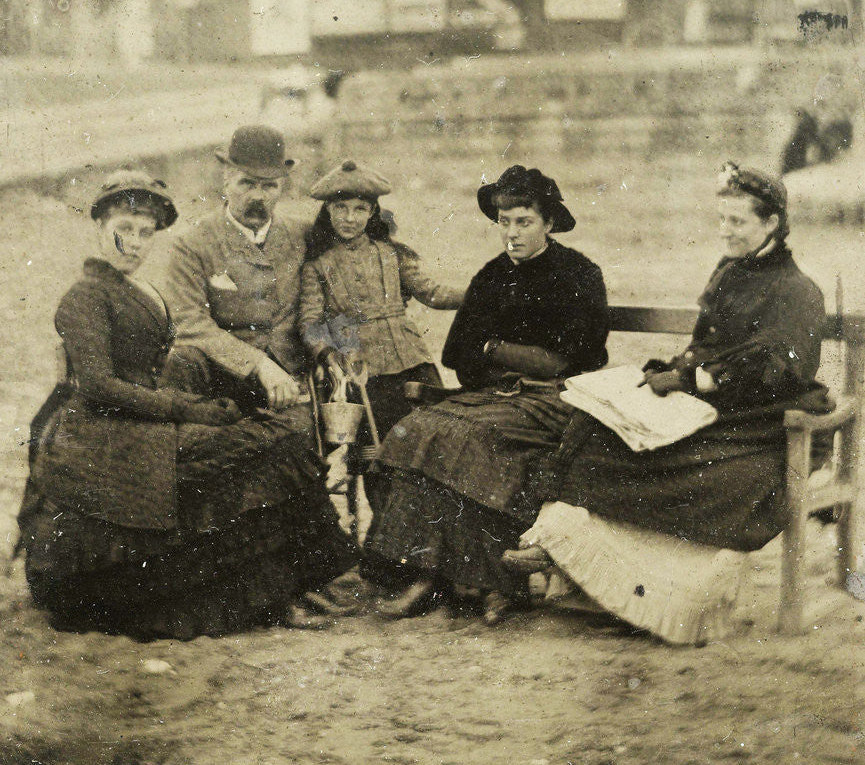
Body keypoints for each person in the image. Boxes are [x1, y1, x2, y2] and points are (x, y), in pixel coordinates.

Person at [16, 170, 357, 640]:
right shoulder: (85, 295)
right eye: (124, 230)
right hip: (102, 434)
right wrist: (184, 408)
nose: (134, 243)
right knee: (262, 453)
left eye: (145, 233)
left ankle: (293, 583)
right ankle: (270, 595)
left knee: (275, 442)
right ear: (99, 226)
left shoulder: (140, 290)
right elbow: (97, 386)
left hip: (143, 423)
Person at [504, 163, 830, 642]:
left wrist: (691, 378)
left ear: (772, 224)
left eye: (737, 222)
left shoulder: (797, 291)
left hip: (758, 423)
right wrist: (669, 369)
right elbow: (707, 342)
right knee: (595, 425)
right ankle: (560, 544)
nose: (725, 231)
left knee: (688, 470)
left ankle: (657, 590)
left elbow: (778, 369)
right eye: (721, 219)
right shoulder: (729, 271)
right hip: (709, 407)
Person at [364, 165, 609, 624]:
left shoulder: (578, 274)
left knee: (466, 439)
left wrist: (493, 347)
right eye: (504, 222)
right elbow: (457, 353)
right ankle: (429, 575)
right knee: (417, 429)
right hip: (493, 399)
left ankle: (491, 581)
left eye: (524, 222)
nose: (512, 234)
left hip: (554, 402)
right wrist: (511, 355)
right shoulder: (492, 275)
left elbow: (569, 358)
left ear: (549, 223)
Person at [298, 159, 464, 518]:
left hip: (411, 360)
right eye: (340, 208)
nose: (349, 218)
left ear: (373, 212)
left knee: (435, 445)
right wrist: (329, 356)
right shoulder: (318, 265)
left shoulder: (393, 254)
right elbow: (310, 322)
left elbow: (432, 293)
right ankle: (388, 546)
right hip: (362, 372)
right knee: (379, 457)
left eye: (360, 209)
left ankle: (433, 541)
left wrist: (481, 291)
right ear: (327, 210)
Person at [162, 125, 309, 421]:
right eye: (247, 183)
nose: (258, 196)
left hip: (291, 380)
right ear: (226, 179)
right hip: (222, 379)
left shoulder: (303, 235)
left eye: (269, 187)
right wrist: (257, 364)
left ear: (282, 186)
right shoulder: (193, 244)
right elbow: (189, 322)